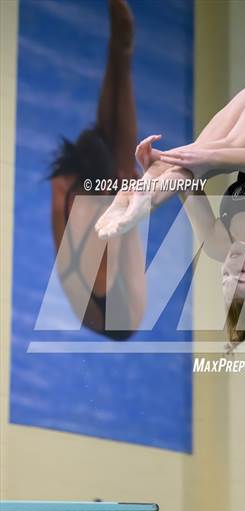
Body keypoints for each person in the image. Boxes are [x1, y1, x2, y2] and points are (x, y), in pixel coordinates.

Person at [95, 78, 245, 346]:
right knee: (216, 154)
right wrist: (202, 161)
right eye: (240, 275)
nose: (230, 265)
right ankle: (142, 199)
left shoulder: (219, 246)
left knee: (198, 159)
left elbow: (186, 184)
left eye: (225, 276)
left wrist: (162, 163)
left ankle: (142, 189)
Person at [50, 0, 146, 340]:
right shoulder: (101, 271)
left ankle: (118, 50)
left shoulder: (64, 188)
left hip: (92, 279)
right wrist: (129, 193)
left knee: (118, 168)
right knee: (123, 172)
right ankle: (122, 53)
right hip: (121, 314)